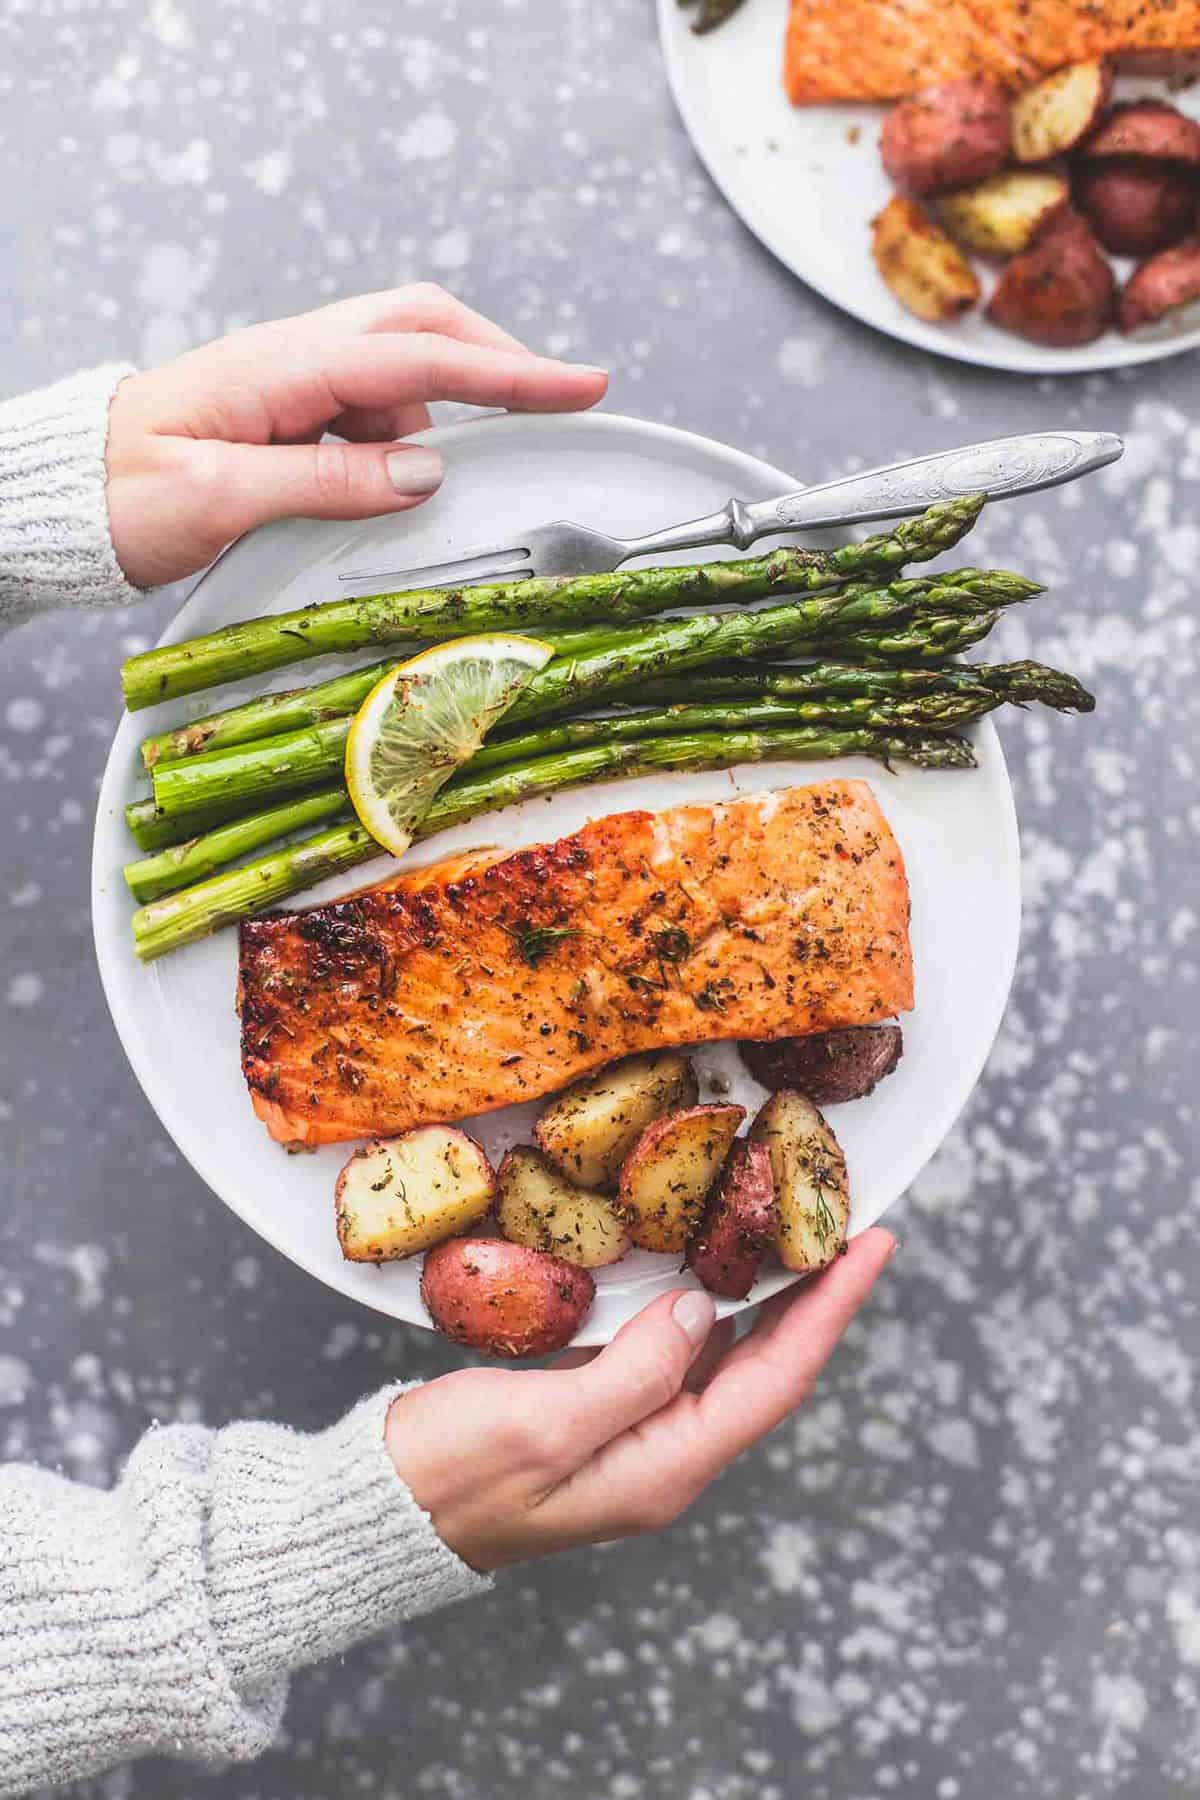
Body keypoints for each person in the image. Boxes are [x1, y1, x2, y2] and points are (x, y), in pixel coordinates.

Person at [0, 285, 896, 1794]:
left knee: (576, 925)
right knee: (540, 924)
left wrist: (35, 498)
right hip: (359, 1009)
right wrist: (251, 1574)